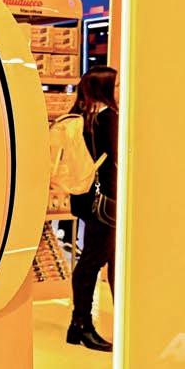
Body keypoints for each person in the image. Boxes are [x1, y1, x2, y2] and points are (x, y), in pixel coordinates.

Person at [67, 66, 118, 352]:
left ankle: (78, 326)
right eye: (116, 85)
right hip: (107, 203)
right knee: (93, 262)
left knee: (98, 260)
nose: (120, 90)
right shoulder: (108, 118)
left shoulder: (82, 118)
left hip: (89, 201)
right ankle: (82, 325)